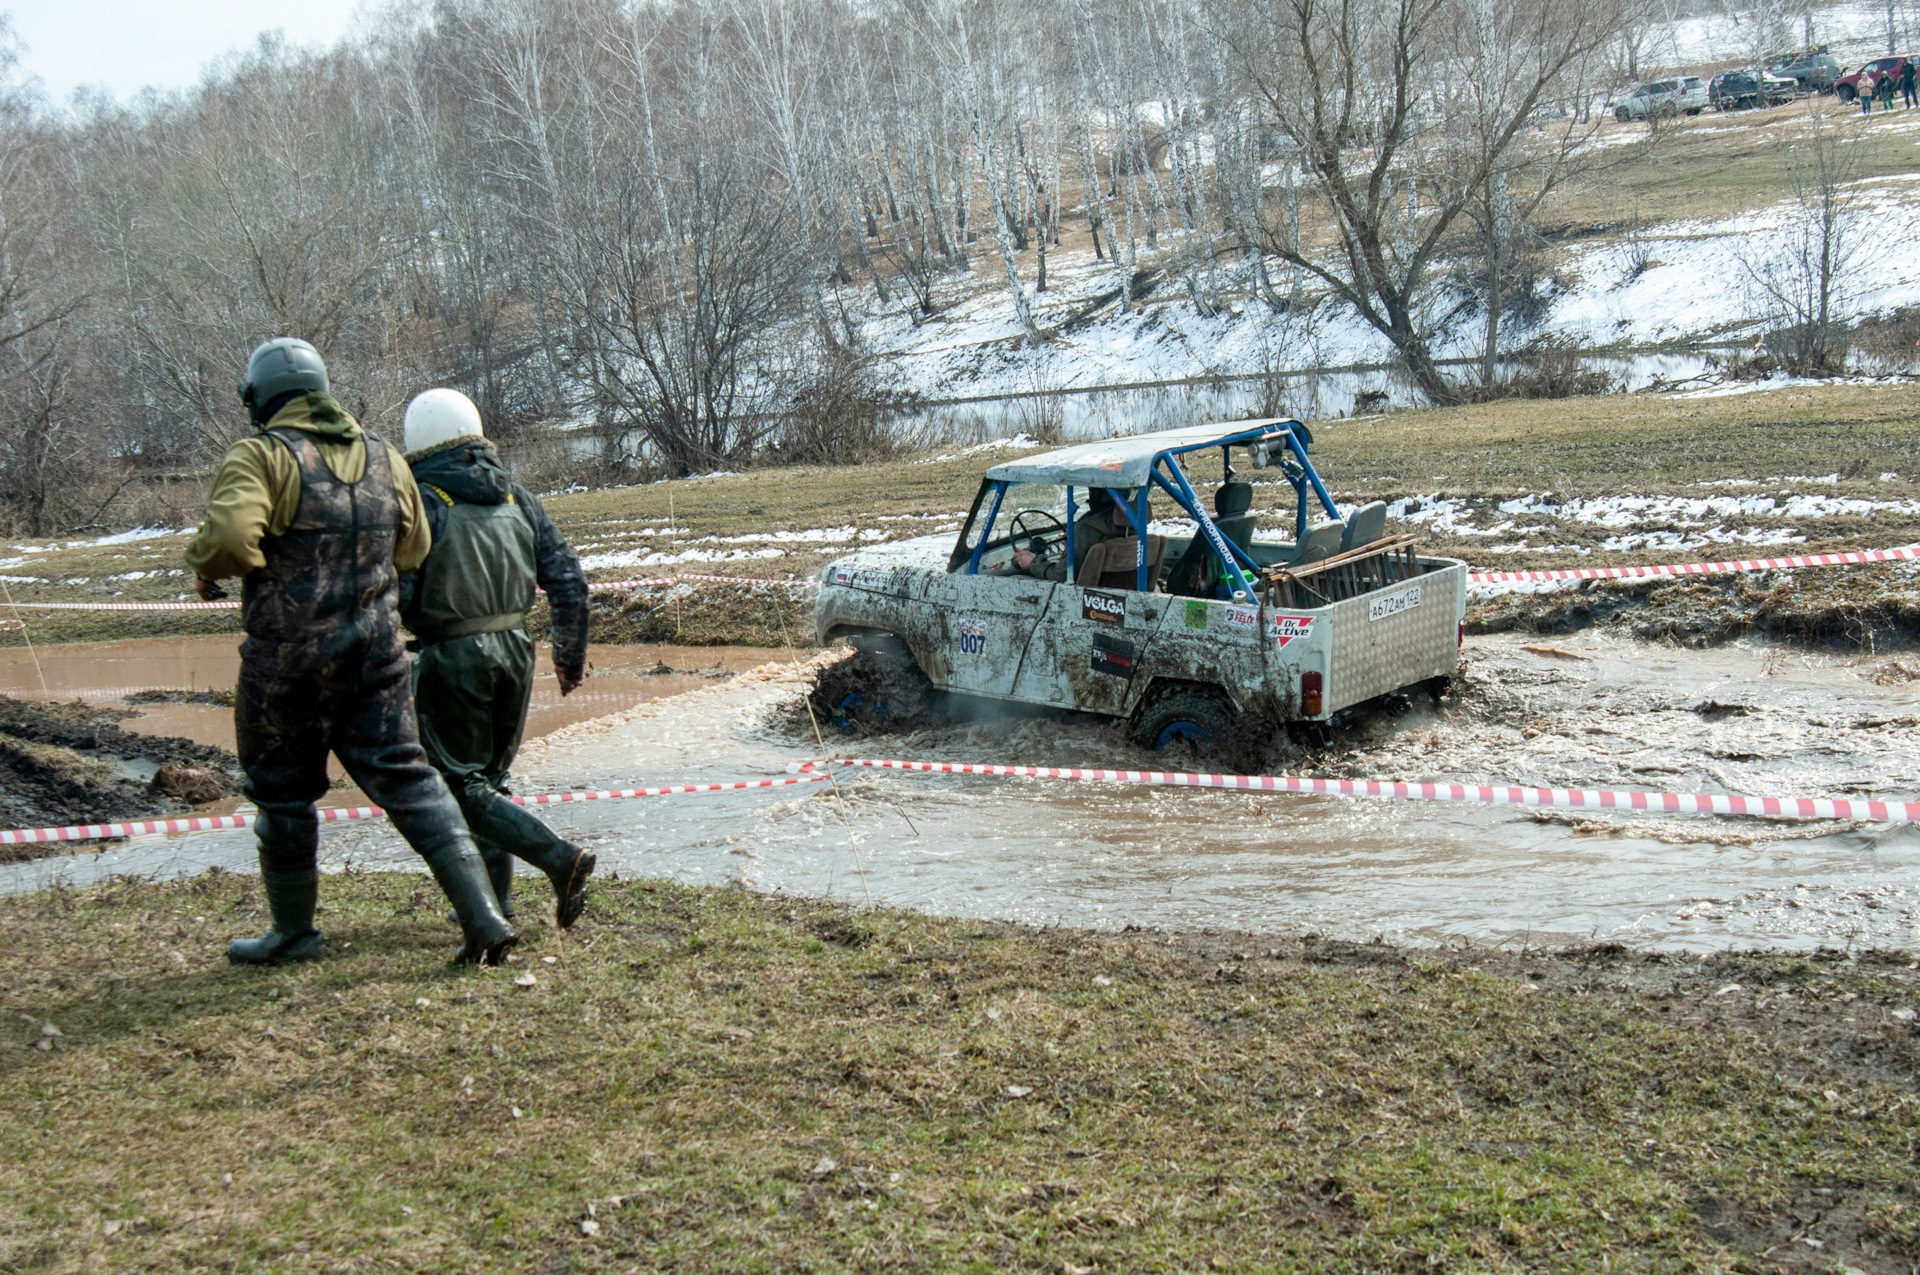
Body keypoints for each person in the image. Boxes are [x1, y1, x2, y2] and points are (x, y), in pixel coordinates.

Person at [186, 339, 517, 967]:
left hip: (288, 664)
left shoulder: (260, 455)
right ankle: (484, 917)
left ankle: (295, 934)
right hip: (377, 655)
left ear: (259, 398)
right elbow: (414, 548)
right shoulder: (384, 455)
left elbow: (229, 540)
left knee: (282, 796)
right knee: (415, 784)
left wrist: (211, 565)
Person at [397, 389, 596, 931]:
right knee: (490, 781)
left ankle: (559, 858)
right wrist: (569, 658)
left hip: (452, 655)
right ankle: (500, 906)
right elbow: (568, 581)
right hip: (516, 652)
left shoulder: (422, 500)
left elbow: (401, 593)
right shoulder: (516, 496)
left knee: (460, 786)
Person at [1007, 487, 1136, 581]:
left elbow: (1061, 576)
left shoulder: (1085, 531)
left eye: (1091, 491)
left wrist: (1033, 563)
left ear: (1096, 495)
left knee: (1014, 580)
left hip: (1082, 602)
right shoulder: (1132, 530)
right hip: (1113, 597)